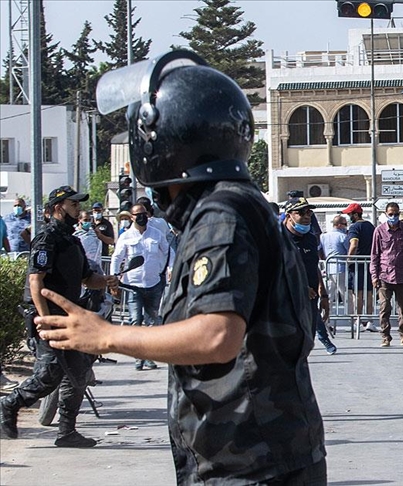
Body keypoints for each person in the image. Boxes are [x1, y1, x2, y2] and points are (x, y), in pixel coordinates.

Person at [30, 51, 326, 482]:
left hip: (249, 462)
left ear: (162, 142)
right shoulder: (237, 205)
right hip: (257, 454)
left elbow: (216, 336)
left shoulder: (220, 215)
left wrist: (107, 336)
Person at [0, 185, 118, 448]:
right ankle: (9, 404)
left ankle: (67, 433)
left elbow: (88, 278)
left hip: (70, 316)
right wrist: (43, 319)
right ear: (58, 208)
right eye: (74, 205)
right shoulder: (46, 239)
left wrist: (108, 279)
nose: (79, 210)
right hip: (50, 316)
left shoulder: (72, 241)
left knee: (78, 374)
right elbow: (35, 281)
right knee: (49, 373)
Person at [111, 203, 172, 370]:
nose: (141, 217)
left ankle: (149, 356)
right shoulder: (126, 237)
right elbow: (116, 258)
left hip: (153, 283)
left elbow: (169, 252)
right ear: (131, 217)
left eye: (144, 213)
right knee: (135, 320)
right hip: (133, 285)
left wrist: (170, 268)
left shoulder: (157, 234)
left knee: (152, 322)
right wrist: (114, 277)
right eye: (138, 214)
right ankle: (139, 357)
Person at [284, 196, 337, 355]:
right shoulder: (278, 238)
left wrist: (323, 292)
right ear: (289, 215)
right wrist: (300, 287)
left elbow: (314, 266)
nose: (307, 216)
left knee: (307, 339)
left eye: (309, 212)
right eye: (301, 212)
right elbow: (277, 271)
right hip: (286, 298)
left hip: (311, 296)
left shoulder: (310, 239)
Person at [371, 202, 403, 347]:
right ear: (385, 213)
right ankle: (385, 336)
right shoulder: (379, 230)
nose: (393, 216)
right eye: (390, 214)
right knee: (384, 307)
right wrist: (374, 276)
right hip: (384, 274)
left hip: (402, 274)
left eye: (396, 213)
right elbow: (375, 254)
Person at [343, 202, 377, 332]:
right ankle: (369, 321)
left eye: (350, 214)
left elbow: (354, 243)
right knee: (369, 294)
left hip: (357, 265)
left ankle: (358, 320)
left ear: (355, 214)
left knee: (357, 294)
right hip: (369, 264)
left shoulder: (354, 227)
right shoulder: (370, 226)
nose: (348, 217)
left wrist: (348, 259)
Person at [319, 214, 352, 328]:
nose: (346, 226)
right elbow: (349, 250)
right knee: (346, 295)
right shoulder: (343, 236)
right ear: (338, 225)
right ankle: (352, 321)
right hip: (341, 268)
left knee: (328, 296)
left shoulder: (323, 236)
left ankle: (326, 320)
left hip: (328, 268)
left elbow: (320, 251)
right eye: (344, 224)